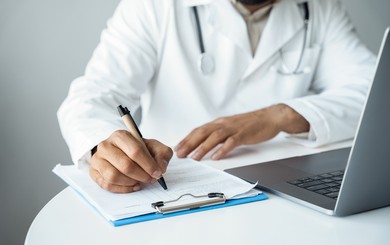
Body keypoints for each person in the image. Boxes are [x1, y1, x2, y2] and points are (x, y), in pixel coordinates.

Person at [58, 0, 375, 193]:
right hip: (178, 184)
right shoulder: (153, 5)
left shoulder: (319, 7)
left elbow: (373, 92)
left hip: (286, 186)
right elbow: (91, 95)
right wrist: (102, 145)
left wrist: (281, 115)